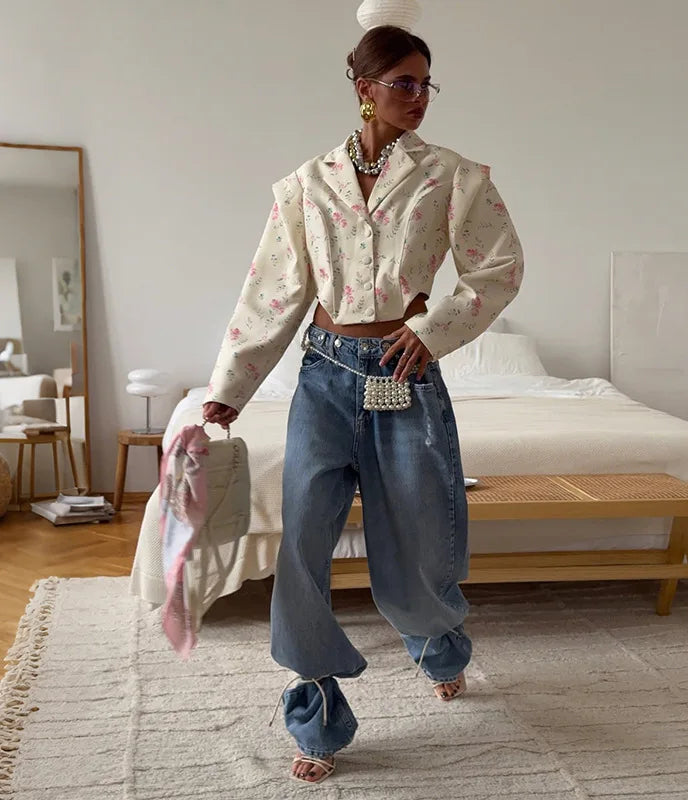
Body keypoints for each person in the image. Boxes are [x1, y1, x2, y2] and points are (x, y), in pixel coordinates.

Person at [202, 24, 524, 784]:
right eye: (403, 84)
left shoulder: (456, 176)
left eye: (425, 85)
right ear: (364, 88)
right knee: (303, 549)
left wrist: (431, 331)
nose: (418, 98)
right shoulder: (305, 187)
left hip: (402, 376)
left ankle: (439, 646)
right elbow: (272, 293)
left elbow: (499, 270)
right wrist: (227, 391)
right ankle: (316, 714)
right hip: (323, 375)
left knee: (417, 544)